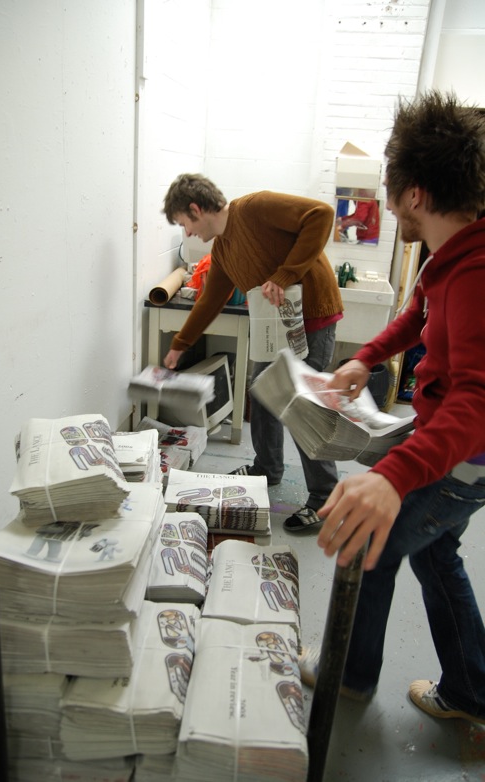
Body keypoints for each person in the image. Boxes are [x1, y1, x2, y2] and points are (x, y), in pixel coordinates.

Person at [300, 90, 485, 725]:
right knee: (437, 555)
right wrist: (363, 358)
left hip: (468, 458)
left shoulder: (477, 271)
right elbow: (419, 316)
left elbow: (477, 401)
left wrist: (392, 475)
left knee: (363, 538)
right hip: (456, 444)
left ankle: (348, 677)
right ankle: (470, 690)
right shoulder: (451, 249)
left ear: (415, 195)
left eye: (390, 184)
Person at [162, 174, 344, 532]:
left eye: (185, 224)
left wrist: (285, 274)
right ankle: (268, 467)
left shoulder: (256, 208)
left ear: (197, 209)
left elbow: (321, 214)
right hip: (274, 326)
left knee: (302, 408)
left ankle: (325, 499)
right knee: (261, 394)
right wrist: (180, 345)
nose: (188, 234)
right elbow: (210, 299)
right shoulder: (224, 250)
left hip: (311, 318)